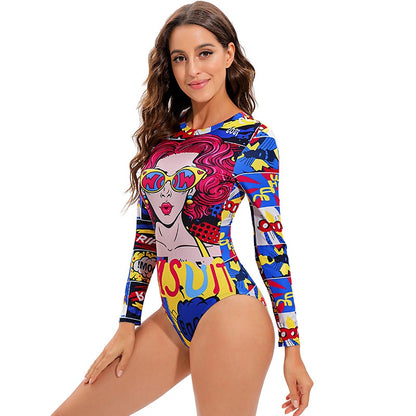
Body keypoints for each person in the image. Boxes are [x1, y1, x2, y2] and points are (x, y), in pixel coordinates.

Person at [51, 2, 313, 415]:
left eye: (205, 53)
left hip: (232, 311)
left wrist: (292, 347)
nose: (193, 70)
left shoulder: (253, 140)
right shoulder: (164, 140)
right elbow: (146, 236)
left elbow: (270, 244)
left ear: (229, 54)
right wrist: (127, 323)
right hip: (175, 316)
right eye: (179, 58)